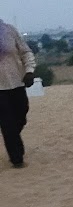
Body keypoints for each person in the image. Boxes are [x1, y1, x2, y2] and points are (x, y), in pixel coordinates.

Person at [0, 18, 37, 167]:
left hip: (17, 82)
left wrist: (29, 71)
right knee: (7, 123)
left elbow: (26, 52)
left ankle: (11, 136)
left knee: (21, 115)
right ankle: (17, 158)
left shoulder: (9, 30)